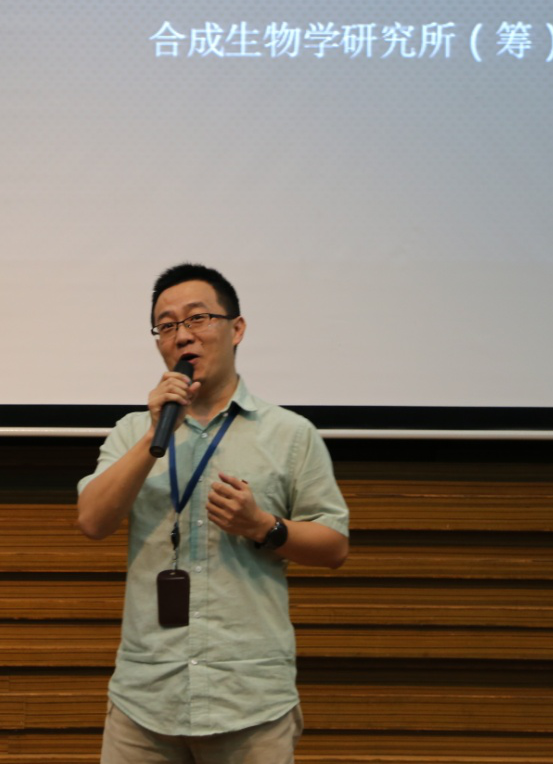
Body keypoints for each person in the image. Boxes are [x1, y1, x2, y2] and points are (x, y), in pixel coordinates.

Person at [76, 263, 350, 764]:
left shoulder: (290, 434)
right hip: (147, 699)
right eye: (166, 326)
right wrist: (154, 434)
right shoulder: (133, 431)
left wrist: (262, 526)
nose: (182, 336)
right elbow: (92, 521)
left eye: (197, 318)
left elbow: (334, 546)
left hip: (249, 700)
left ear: (236, 329)